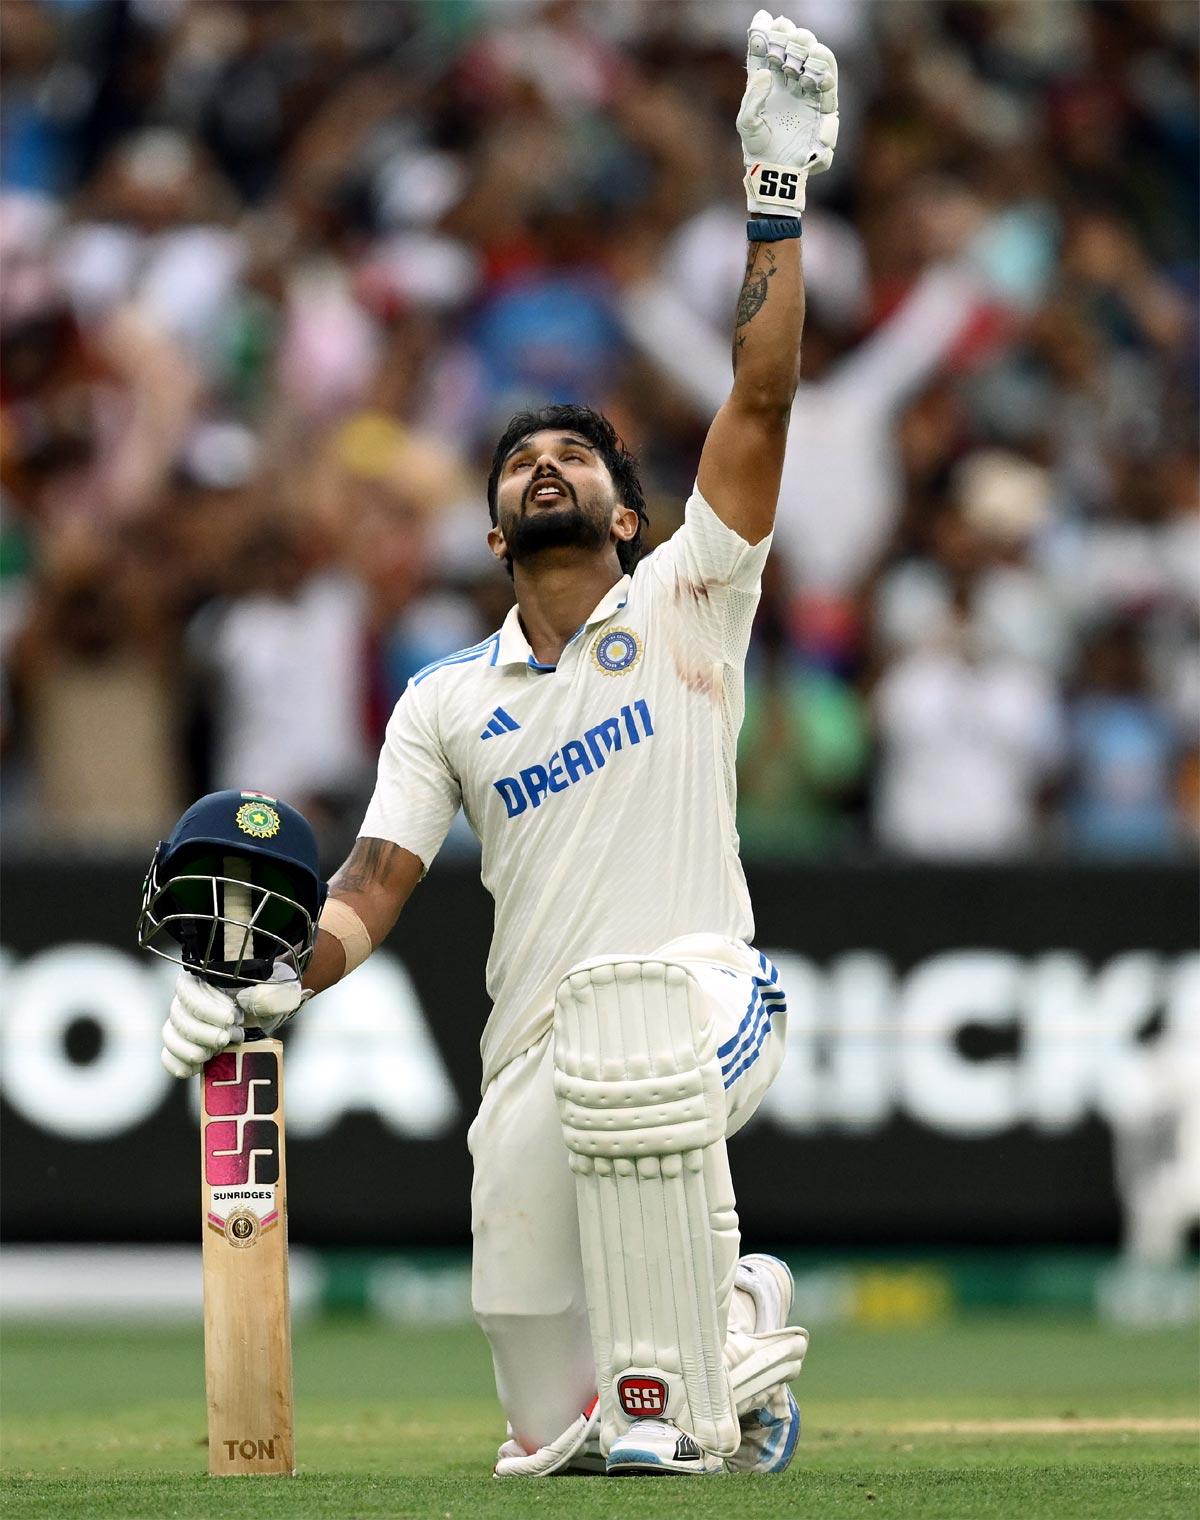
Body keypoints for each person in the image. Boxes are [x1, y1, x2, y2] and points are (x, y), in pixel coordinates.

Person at [158, 11, 835, 1479]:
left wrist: (773, 196)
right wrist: (274, 981)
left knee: (629, 1089)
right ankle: (732, 1327)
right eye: (521, 458)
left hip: (702, 996)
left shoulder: (691, 601)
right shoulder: (443, 698)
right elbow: (376, 884)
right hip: (529, 1056)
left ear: (630, 516)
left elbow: (764, 398)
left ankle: (707, 1331)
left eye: (577, 454)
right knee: (552, 1435)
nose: (546, 463)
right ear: (489, 526)